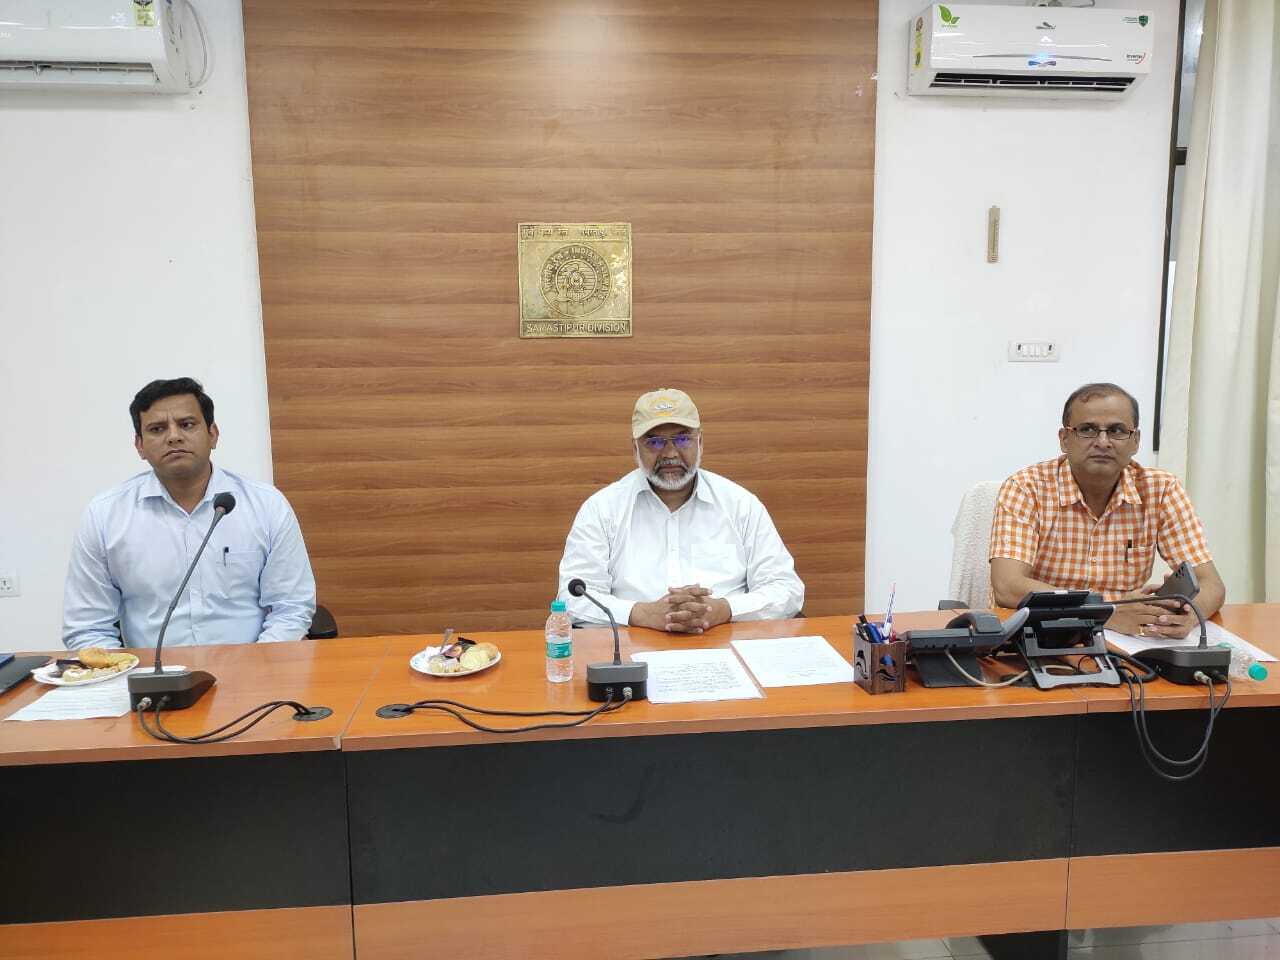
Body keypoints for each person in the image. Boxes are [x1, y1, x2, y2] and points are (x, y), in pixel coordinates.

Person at [63, 377, 316, 650]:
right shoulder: (105, 515)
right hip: (151, 671)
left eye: (187, 424)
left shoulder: (266, 505)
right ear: (139, 445)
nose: (174, 436)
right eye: (157, 429)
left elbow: (291, 607)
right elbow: (87, 627)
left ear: (213, 434)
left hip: (253, 665)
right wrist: (123, 672)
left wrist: (258, 665)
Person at [989, 382, 1225, 640]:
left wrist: (1189, 615)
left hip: (1128, 638)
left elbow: (1211, 584)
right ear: (1065, 439)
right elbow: (1007, 586)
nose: (1103, 442)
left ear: (1135, 441)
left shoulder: (1161, 490)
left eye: (1117, 431)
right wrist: (1105, 613)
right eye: (1087, 430)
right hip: (1042, 632)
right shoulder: (1026, 487)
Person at [557, 388, 804, 633]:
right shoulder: (602, 510)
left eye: (683, 439)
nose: (670, 453)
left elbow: (786, 588)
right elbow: (572, 599)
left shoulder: (741, 505)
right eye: (654, 442)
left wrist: (724, 609)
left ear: (700, 442)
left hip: (728, 641)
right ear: (635, 449)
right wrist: (641, 613)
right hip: (632, 648)